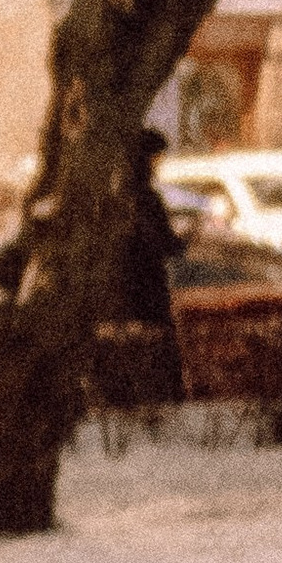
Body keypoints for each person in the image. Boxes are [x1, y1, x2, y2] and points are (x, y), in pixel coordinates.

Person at [116, 127, 187, 407]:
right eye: (156, 158)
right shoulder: (145, 199)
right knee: (157, 351)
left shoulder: (120, 197)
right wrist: (182, 240)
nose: (159, 165)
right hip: (146, 289)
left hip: (127, 291)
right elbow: (161, 243)